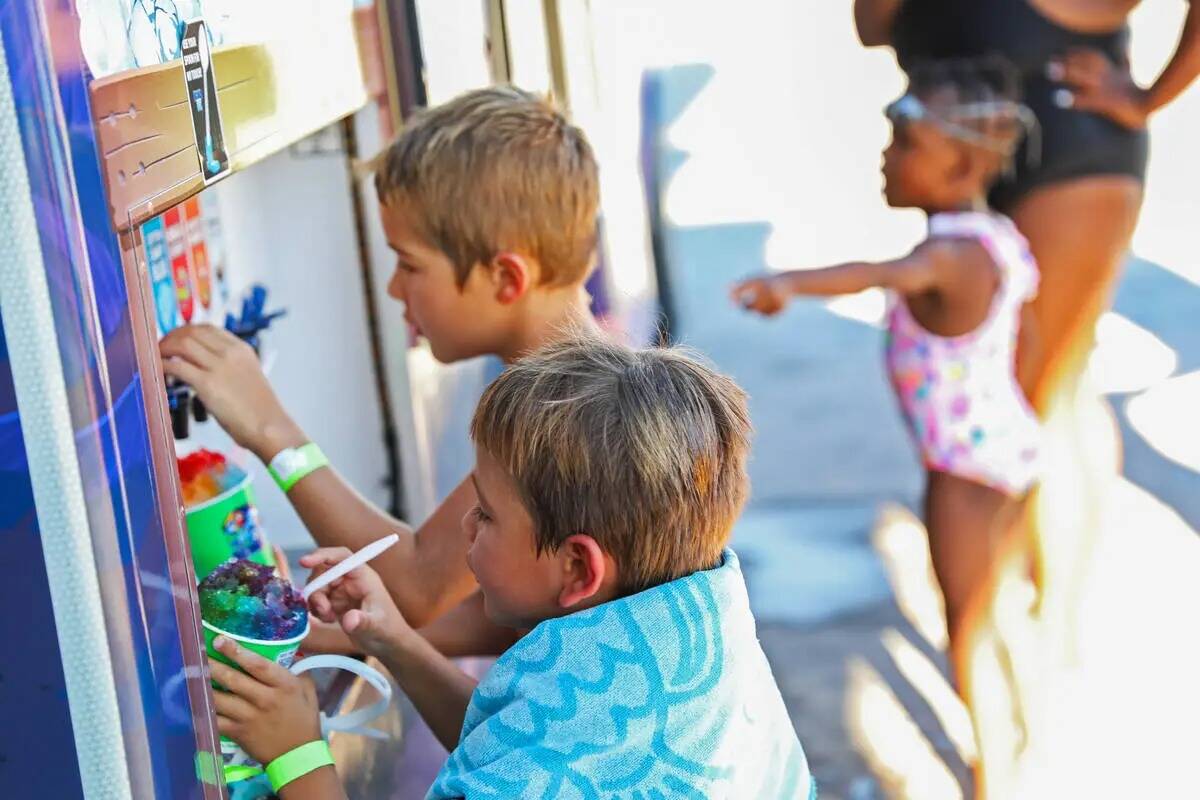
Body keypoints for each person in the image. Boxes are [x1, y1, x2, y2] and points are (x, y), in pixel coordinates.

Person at [206, 337, 815, 800]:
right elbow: (503, 738)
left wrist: (296, 755)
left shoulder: (562, 773)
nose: (465, 526)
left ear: (578, 569)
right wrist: (390, 637)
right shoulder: (678, 623)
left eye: (488, 516)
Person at [160, 86, 601, 654]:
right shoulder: (579, 387)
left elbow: (418, 584)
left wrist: (271, 430)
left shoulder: (563, 416)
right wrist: (336, 638)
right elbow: (505, 623)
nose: (395, 288)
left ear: (506, 278)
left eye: (409, 264)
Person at [852, 0, 1200, 665]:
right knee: (1046, 395)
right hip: (961, 153)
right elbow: (874, 24)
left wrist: (1153, 95)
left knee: (1036, 405)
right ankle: (1034, 637)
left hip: (1069, 142)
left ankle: (1045, 645)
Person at [733, 59, 1040, 694]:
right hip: (1002, 449)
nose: (885, 155)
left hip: (964, 471)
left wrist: (788, 284)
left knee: (969, 627)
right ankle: (1022, 733)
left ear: (958, 167)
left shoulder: (944, 257)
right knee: (991, 610)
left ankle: (995, 780)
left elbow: (873, 271)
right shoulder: (995, 237)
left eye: (905, 143)